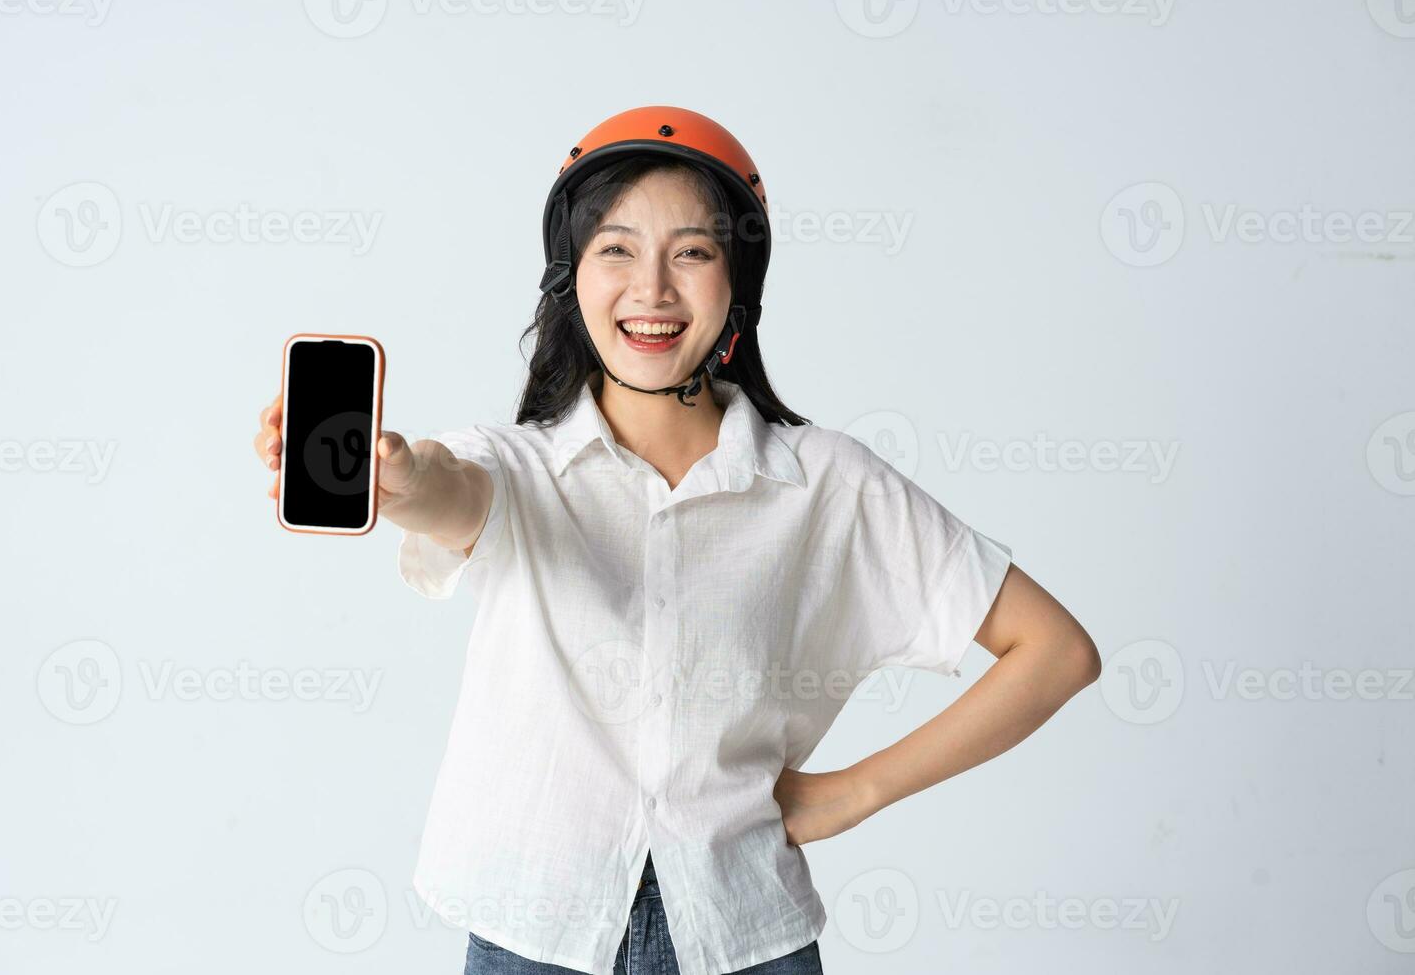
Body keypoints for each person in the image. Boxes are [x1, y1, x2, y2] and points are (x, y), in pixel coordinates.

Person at [252, 105, 1101, 975]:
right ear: (568, 276)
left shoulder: (827, 484)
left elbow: (1055, 651)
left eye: (691, 252)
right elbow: (454, 490)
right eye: (615, 249)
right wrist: (400, 478)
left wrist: (852, 793)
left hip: (744, 937)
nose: (652, 289)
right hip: (531, 937)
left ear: (740, 280)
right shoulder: (516, 466)